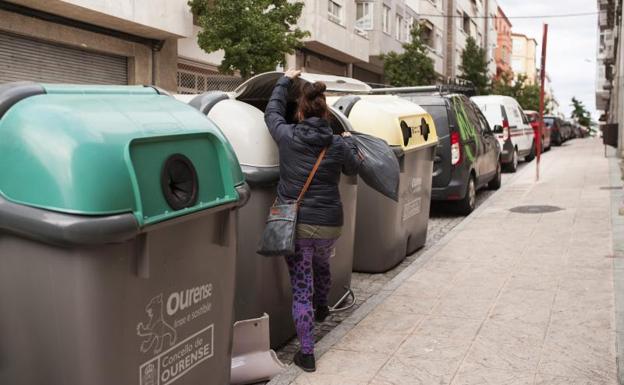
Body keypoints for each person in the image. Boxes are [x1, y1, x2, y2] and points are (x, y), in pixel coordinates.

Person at [264, 69, 361, 372]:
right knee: (321, 263)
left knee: (301, 286)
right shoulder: (337, 144)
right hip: (330, 224)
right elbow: (353, 170)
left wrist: (284, 80)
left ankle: (306, 353)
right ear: (325, 109)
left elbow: (271, 112)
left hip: (297, 226)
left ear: (301, 110)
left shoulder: (288, 136)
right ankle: (322, 303)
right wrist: (349, 142)